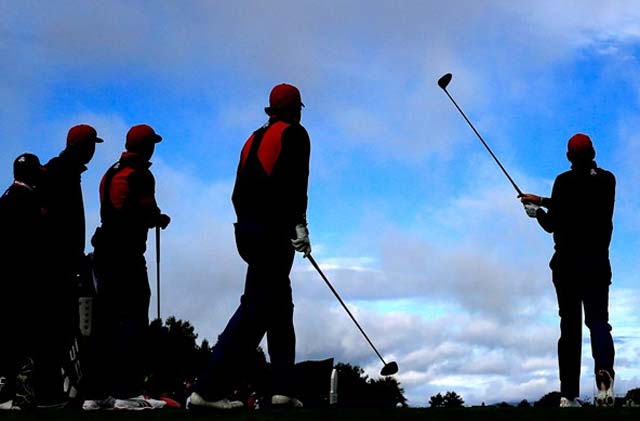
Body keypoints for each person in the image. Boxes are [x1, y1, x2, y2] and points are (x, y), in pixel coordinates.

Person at [189, 83, 311, 410]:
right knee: (256, 308)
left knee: (279, 306)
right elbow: (294, 185)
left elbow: (237, 193)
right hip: (272, 233)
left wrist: (252, 225)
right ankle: (208, 390)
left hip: (247, 230)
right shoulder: (296, 135)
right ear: (296, 109)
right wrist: (299, 224)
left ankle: (283, 388)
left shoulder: (252, 138)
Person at [520, 133, 615, 408]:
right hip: (596, 264)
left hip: (566, 266)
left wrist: (536, 210)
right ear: (594, 152)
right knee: (598, 322)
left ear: (568, 157)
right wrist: (542, 201)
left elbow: (553, 223)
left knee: (569, 328)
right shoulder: (608, 181)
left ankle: (569, 395)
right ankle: (603, 372)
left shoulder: (563, 182)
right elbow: (578, 201)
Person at [82, 124, 170, 410]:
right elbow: (145, 211)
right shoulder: (142, 174)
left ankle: (95, 394)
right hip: (126, 254)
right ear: (146, 147)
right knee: (133, 318)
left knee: (105, 322)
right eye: (152, 144)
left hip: (103, 251)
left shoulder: (111, 172)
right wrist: (159, 219)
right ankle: (126, 391)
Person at [37, 124, 103, 405]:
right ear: (83, 146)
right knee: (60, 327)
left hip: (64, 259)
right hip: (58, 263)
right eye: (91, 145)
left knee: (66, 326)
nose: (93, 151)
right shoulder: (60, 171)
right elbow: (51, 219)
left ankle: (65, 387)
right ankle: (55, 389)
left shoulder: (63, 169)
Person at [0, 154, 46, 410]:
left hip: (8, 277)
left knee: (9, 335)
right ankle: (16, 394)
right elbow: (33, 242)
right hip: (21, 279)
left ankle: (7, 392)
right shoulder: (26, 199)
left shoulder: (8, 195)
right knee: (20, 336)